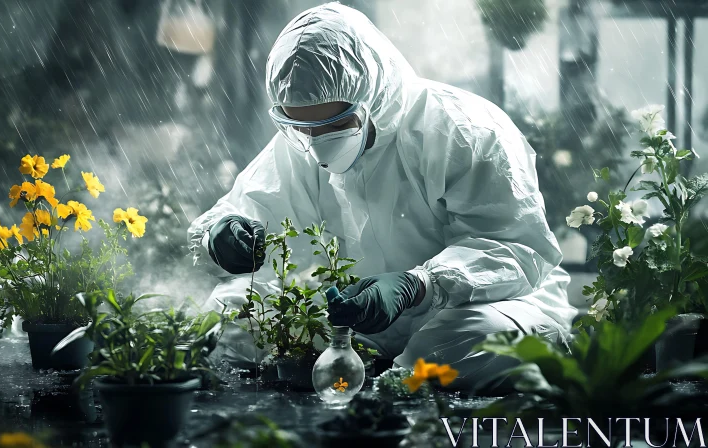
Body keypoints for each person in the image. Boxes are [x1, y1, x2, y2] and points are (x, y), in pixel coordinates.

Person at [187, 3, 577, 391]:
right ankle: (378, 377)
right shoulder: (301, 141)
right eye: (302, 126)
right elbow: (251, 209)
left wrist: (419, 284)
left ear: (372, 94)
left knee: (465, 341)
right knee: (228, 316)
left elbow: (517, 249)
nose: (317, 145)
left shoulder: (465, 131)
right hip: (360, 318)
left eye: (337, 125)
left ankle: (387, 388)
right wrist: (220, 237)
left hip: (481, 306)